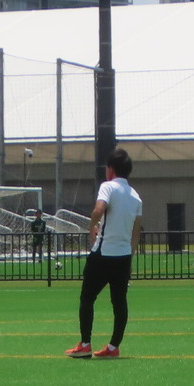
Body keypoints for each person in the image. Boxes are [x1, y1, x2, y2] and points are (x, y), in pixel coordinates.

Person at [66, 148, 144, 360]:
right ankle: (113, 346)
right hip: (123, 256)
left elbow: (99, 210)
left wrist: (91, 227)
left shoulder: (107, 187)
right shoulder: (136, 197)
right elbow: (136, 234)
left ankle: (85, 344)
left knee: (87, 297)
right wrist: (130, 259)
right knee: (119, 303)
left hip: (103, 254)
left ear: (110, 170)